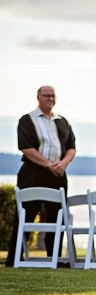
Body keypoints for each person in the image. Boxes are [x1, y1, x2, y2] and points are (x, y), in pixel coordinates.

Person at [5, 86, 77, 267]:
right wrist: (48, 164)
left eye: (53, 96)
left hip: (58, 174)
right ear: (38, 97)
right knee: (26, 214)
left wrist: (62, 164)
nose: (51, 99)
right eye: (47, 96)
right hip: (33, 173)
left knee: (58, 216)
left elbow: (71, 147)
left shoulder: (62, 121)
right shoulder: (27, 120)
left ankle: (55, 258)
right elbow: (26, 147)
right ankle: (14, 258)